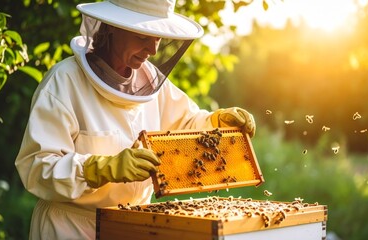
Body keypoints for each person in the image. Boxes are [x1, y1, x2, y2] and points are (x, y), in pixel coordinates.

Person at [15, 0, 256, 239]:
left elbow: (187, 126)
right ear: (111, 27)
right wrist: (98, 169)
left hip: (137, 225)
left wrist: (217, 125)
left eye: (158, 37)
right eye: (143, 37)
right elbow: (37, 168)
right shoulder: (64, 81)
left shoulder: (151, 81)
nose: (152, 49)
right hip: (71, 228)